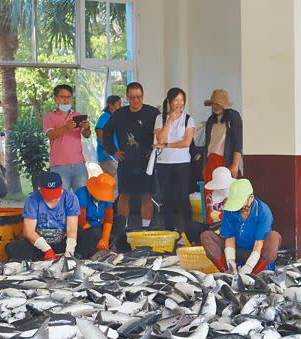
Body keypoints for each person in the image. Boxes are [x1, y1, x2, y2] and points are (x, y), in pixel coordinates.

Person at [104, 82, 160, 229]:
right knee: (124, 196)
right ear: (127, 97)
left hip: (146, 162)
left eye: (139, 97)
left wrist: (155, 150)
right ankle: (123, 228)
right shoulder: (119, 114)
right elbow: (106, 132)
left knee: (146, 196)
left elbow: (162, 133)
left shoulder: (153, 113)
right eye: (132, 97)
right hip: (126, 161)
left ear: (143, 96)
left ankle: (146, 229)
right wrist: (113, 150)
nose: (136, 100)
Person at [202, 179, 281, 274]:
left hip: (256, 251)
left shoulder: (263, 211)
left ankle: (253, 275)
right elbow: (229, 238)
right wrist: (230, 261)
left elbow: (258, 244)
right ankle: (228, 273)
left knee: (274, 237)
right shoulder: (229, 209)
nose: (237, 208)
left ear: (250, 198)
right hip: (236, 250)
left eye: (240, 203)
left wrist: (249, 266)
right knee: (206, 236)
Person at [5, 172, 79, 261]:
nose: (52, 198)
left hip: (63, 242)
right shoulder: (32, 200)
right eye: (48, 194)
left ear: (61, 187)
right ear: (41, 189)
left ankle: (66, 254)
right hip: (39, 245)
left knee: (92, 235)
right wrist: (47, 249)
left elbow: (72, 229)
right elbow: (28, 231)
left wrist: (69, 252)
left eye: (55, 193)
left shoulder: (70, 198)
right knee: (11, 248)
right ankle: (47, 255)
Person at [153, 87, 196, 231]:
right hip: (163, 164)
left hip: (182, 164)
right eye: (176, 100)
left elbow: (186, 143)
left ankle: (189, 233)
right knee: (167, 200)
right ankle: (169, 232)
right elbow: (159, 137)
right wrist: (170, 120)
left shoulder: (189, 119)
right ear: (170, 102)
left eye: (182, 100)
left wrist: (166, 145)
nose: (179, 103)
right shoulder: (160, 118)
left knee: (183, 199)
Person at [202, 89, 243, 223]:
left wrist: (235, 164)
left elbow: (238, 142)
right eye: (213, 104)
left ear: (224, 105)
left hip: (225, 161)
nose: (215, 107)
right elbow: (207, 144)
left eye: (218, 104)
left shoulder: (233, 117)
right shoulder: (210, 121)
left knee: (227, 195)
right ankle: (211, 223)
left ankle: (227, 225)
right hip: (210, 160)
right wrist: (204, 165)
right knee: (209, 194)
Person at [43, 84, 91, 192]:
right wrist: (66, 127)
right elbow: (51, 135)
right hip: (59, 165)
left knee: (82, 198)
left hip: (79, 164)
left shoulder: (77, 115)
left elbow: (86, 135)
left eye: (68, 97)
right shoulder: (49, 117)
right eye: (62, 97)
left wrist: (87, 128)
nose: (66, 100)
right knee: (61, 199)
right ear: (55, 98)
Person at [75, 173, 127, 258]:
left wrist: (105, 238)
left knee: (121, 219)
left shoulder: (107, 197)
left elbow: (108, 217)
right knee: (94, 231)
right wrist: (100, 236)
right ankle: (99, 247)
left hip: (100, 227)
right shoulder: (81, 193)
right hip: (85, 230)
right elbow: (81, 221)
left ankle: (108, 244)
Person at [184, 166, 235, 245]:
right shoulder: (211, 197)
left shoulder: (237, 195)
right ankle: (199, 243)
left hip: (232, 226)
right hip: (216, 225)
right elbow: (211, 213)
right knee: (191, 226)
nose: (223, 189)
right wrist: (220, 216)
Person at [95, 95, 122, 200]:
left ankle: (111, 209)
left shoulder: (114, 117)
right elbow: (99, 131)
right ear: (111, 105)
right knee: (114, 184)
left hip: (114, 156)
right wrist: (107, 148)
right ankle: (108, 209)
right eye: (118, 104)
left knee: (115, 184)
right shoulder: (105, 116)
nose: (120, 106)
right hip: (107, 157)